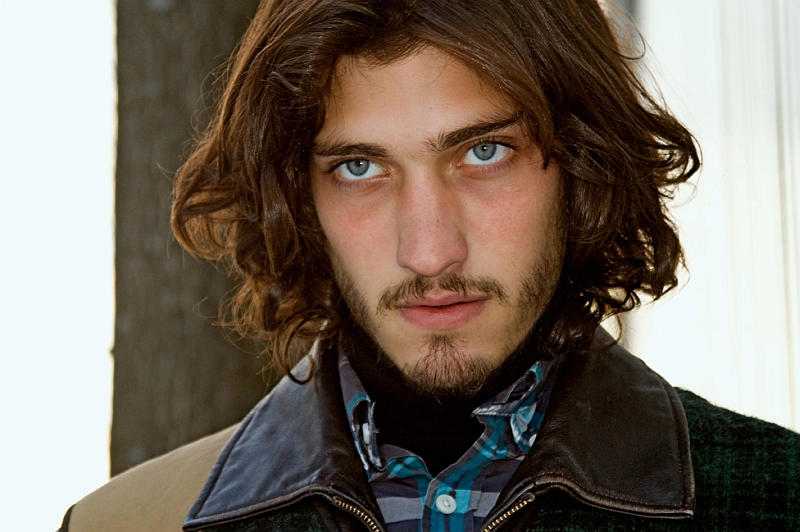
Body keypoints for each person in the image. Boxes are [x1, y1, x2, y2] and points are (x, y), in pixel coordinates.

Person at [61, 0, 800, 530]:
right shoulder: (124, 523)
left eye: (484, 152)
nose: (429, 251)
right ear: (296, 199)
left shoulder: (777, 498)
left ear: (583, 169)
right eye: (359, 167)